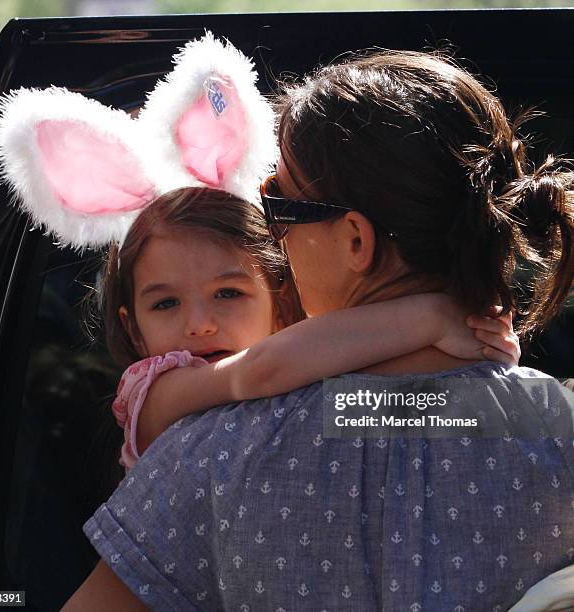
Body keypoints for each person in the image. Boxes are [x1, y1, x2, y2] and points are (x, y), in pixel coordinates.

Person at [62, 47, 574, 612]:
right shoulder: (557, 429)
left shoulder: (209, 450)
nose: (273, 234)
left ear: (356, 241)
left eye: (278, 202)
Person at [102, 186, 516, 473]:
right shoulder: (152, 392)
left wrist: (478, 358)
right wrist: (437, 317)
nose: (199, 325)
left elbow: (382, 407)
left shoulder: (300, 375)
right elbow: (260, 370)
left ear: (279, 302)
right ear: (133, 327)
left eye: (227, 293)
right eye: (165, 303)